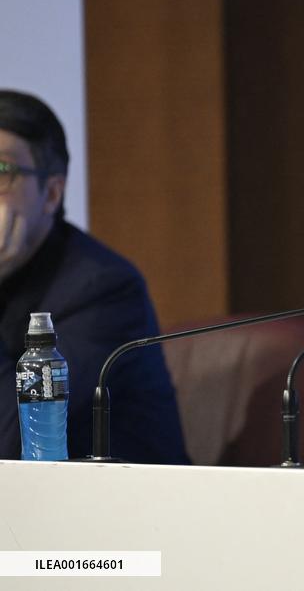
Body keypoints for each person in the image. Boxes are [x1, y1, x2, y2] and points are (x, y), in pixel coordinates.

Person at [0, 90, 188, 463]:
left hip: (129, 513)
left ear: (52, 193)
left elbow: (18, 448)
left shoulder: (103, 290)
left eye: (2, 171)